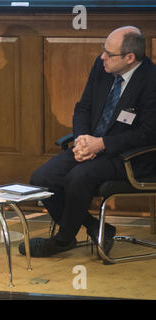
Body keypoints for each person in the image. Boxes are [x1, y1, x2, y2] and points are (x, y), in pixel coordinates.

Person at [19, 26, 156, 258]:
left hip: (130, 157)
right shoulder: (102, 67)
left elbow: (147, 134)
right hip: (92, 146)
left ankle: (63, 240)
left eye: (108, 54)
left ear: (130, 58)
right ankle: (96, 227)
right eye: (103, 50)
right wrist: (83, 140)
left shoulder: (152, 81)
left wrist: (101, 144)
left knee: (78, 177)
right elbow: (83, 107)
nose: (102, 56)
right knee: (41, 179)